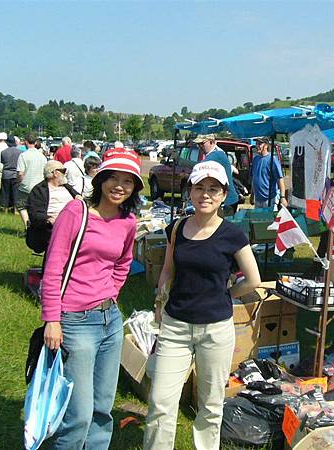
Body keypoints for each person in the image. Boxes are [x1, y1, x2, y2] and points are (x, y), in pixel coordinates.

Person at [144, 160, 260, 449]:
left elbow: (253, 280)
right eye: (199, 188)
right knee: (161, 401)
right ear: (190, 192)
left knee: (210, 404)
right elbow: (168, 271)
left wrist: (228, 295)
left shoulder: (233, 235)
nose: (205, 194)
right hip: (175, 327)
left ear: (223, 195)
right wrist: (160, 298)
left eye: (213, 189)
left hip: (216, 331)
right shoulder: (177, 228)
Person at [42, 150, 142, 449]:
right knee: (80, 414)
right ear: (100, 180)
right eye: (113, 177)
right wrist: (52, 319)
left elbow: (123, 262)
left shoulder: (128, 221)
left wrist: (111, 292)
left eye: (128, 181)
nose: (119, 186)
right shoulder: (76, 212)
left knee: (102, 407)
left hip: (110, 319)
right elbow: (53, 266)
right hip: (75, 320)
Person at [26, 160, 81, 253]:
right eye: (63, 171)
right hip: (53, 227)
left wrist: (80, 198)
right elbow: (35, 213)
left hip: (74, 223)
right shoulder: (39, 190)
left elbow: (80, 200)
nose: (65, 174)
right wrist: (49, 219)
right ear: (55, 173)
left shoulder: (67, 187)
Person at [193, 134, 239, 216]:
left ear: (211, 142)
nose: (199, 146)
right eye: (198, 144)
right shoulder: (216, 154)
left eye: (202, 143)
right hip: (223, 199)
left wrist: (180, 160)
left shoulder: (217, 155)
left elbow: (199, 167)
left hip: (227, 201)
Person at [17, 133, 47, 228]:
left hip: (26, 186)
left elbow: (20, 173)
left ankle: (27, 226)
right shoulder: (42, 157)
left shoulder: (23, 156)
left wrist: (19, 183)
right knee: (35, 208)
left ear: (26, 142)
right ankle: (35, 227)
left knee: (21, 206)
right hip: (39, 186)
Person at [251, 137, 288, 210]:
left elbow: (280, 179)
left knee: (270, 220)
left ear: (266, 146)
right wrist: (252, 194)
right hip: (258, 199)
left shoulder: (272, 159)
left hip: (270, 199)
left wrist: (282, 197)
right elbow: (253, 178)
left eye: (260, 144)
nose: (257, 146)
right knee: (258, 220)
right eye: (256, 143)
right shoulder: (255, 160)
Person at [0, 135, 21, 211]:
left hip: (6, 174)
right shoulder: (20, 152)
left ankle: (4, 208)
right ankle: (15, 208)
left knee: (5, 192)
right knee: (15, 192)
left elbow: (3, 162)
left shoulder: (3, 152)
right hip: (15, 174)